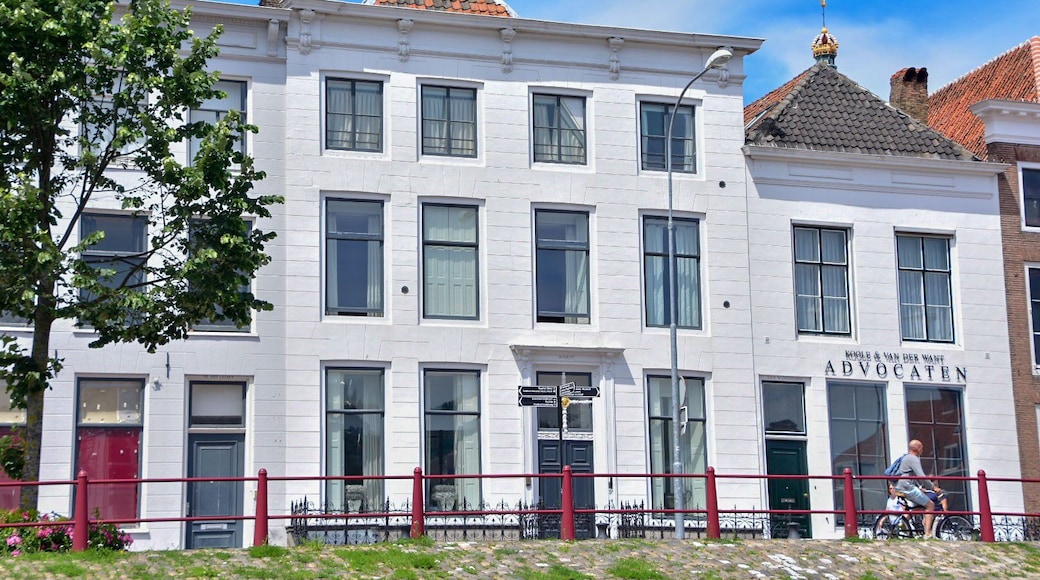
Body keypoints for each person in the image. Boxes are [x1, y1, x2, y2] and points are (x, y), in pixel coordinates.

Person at [894, 440, 937, 538]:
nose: (922, 450)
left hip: (900, 486)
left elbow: (912, 475)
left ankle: (903, 522)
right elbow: (921, 476)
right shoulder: (913, 458)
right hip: (906, 487)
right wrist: (932, 487)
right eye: (921, 447)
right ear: (917, 448)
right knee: (930, 505)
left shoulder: (905, 457)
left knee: (918, 506)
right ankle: (927, 534)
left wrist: (920, 487)